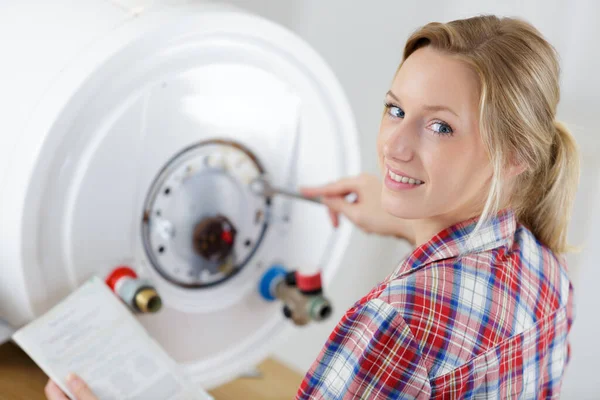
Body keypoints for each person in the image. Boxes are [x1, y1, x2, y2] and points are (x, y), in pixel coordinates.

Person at [46, 14, 578, 400]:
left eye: (439, 126)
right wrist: (402, 218)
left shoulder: (397, 321)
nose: (395, 145)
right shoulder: (544, 271)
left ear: (515, 157)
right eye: (395, 109)